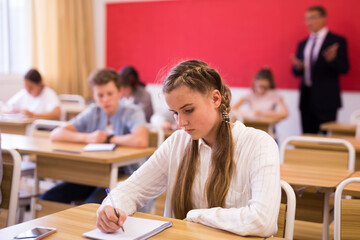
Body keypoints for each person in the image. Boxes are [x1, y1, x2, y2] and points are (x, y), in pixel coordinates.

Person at [96, 60, 281, 237]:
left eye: (188, 110)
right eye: (175, 113)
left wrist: (198, 216)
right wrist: (110, 208)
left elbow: (263, 220)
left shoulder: (259, 144)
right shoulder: (177, 142)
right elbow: (131, 189)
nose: (180, 123)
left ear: (215, 98)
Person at [40, 69, 149, 204]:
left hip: (124, 178)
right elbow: (56, 134)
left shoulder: (132, 111)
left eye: (110, 94)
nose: (105, 100)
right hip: (92, 174)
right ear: (94, 95)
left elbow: (141, 140)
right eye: (100, 95)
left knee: (91, 207)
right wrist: (88, 137)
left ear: (120, 91)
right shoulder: (93, 111)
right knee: (48, 198)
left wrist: (108, 138)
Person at [292, 5, 349, 134]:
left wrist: (332, 61)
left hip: (327, 99)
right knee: (307, 137)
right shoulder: (303, 43)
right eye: (306, 19)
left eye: (312, 18)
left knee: (325, 141)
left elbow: (345, 69)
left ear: (323, 18)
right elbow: (296, 72)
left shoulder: (336, 41)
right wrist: (298, 67)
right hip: (306, 98)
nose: (309, 22)